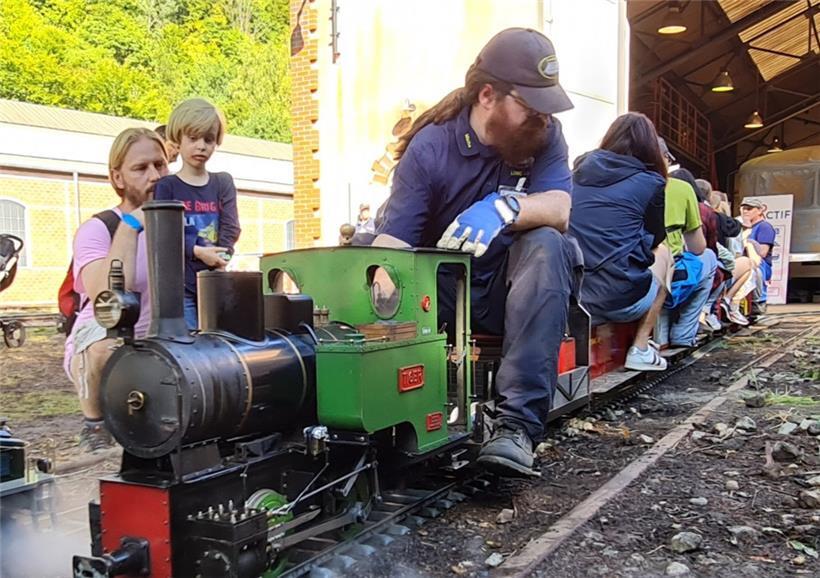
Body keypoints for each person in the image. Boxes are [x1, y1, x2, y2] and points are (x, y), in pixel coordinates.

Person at [370, 28, 581, 477]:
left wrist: (506, 207)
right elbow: (394, 245)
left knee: (548, 243)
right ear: (488, 96)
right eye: (532, 108)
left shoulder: (545, 136)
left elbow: (560, 208)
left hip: (515, 294)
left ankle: (516, 428)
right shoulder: (431, 148)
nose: (543, 119)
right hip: (446, 300)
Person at [64, 128, 169, 452]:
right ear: (117, 177)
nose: (154, 176)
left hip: (162, 335)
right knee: (103, 347)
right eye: (141, 168)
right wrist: (130, 226)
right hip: (104, 334)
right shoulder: (97, 229)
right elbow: (106, 297)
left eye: (160, 165)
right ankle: (95, 427)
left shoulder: (177, 222)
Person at [569, 112, 671, 371]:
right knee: (664, 253)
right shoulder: (651, 182)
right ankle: (641, 348)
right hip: (619, 301)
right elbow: (657, 236)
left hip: (572, 296)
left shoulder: (575, 174)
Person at [154, 98, 241, 330]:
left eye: (208, 140)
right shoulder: (166, 186)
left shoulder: (222, 182)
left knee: (220, 341)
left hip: (215, 282)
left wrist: (222, 259)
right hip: (181, 287)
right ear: (178, 140)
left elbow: (231, 227)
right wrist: (197, 251)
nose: (201, 146)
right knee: (191, 343)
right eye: (193, 138)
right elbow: (165, 233)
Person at [656, 140, 717, 347]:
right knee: (708, 258)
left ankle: (661, 333)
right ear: (664, 158)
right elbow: (697, 247)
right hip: (663, 271)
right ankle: (683, 332)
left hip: (615, 272)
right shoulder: (680, 189)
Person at [740, 197, 776, 313]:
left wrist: (749, 242)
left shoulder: (764, 227)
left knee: (757, 268)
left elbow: (763, 252)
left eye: (749, 209)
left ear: (760, 210)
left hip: (759, 264)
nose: (745, 211)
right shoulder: (741, 227)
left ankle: (759, 301)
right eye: (744, 208)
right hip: (743, 261)